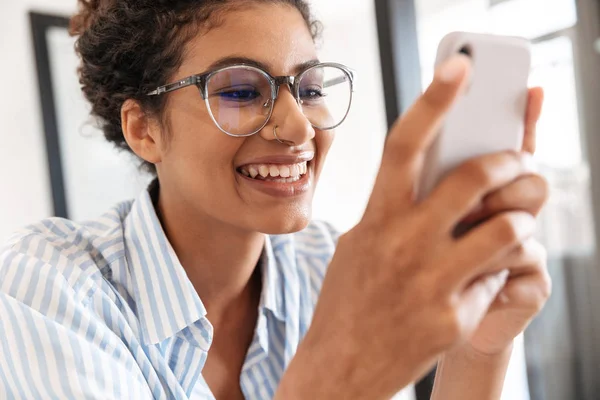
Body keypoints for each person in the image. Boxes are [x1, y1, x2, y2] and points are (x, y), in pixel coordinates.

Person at [0, 0, 550, 399]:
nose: (297, 127)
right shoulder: (48, 291)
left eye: (308, 89)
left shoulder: (328, 266)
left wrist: (479, 350)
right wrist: (338, 376)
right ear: (144, 129)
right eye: (241, 91)